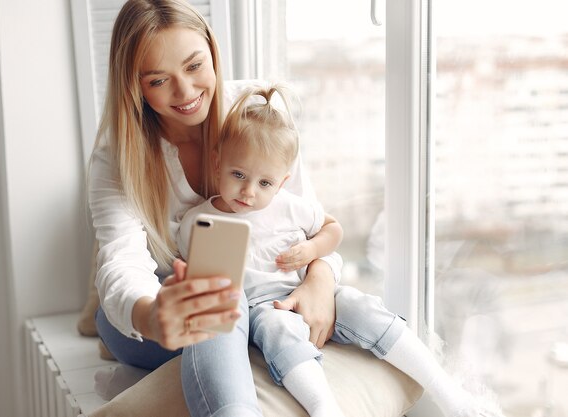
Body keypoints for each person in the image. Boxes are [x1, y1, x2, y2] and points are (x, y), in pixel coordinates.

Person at [177, 84, 505, 417]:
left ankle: (449, 395)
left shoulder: (290, 207)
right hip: (264, 306)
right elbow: (196, 277)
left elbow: (333, 229)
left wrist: (310, 251)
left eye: (265, 183)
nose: (248, 192)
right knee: (280, 329)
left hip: (314, 290)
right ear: (217, 162)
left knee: (362, 307)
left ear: (282, 181)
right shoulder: (198, 220)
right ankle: (325, 408)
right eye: (238, 175)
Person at [87, 1, 341, 416]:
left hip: (256, 299)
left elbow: (306, 222)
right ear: (134, 86)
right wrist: (154, 317)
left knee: (235, 298)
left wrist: (321, 279)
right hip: (152, 312)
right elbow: (120, 265)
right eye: (158, 80)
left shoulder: (254, 112)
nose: (185, 93)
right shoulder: (116, 157)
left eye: (193, 66)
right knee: (223, 294)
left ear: (212, 51)